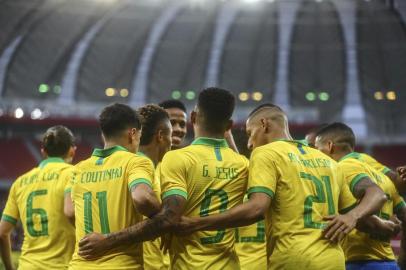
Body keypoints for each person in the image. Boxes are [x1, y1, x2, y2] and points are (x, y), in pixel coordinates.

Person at [174, 103, 387, 270]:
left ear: (264, 124)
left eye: (250, 133)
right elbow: (372, 205)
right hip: (332, 261)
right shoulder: (328, 161)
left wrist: (196, 223)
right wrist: (364, 219)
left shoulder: (267, 153)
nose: (249, 143)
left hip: (292, 260)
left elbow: (257, 208)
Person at [78, 88, 249, 269]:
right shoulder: (145, 166)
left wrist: (167, 221)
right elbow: (154, 208)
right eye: (172, 125)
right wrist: (165, 220)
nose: (177, 131)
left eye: (181, 124)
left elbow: (72, 212)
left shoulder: (90, 168)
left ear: (193, 118)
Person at [65, 103, 160, 269]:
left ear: (104, 134)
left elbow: (71, 213)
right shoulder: (136, 162)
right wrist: (163, 214)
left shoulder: (78, 169)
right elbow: (142, 198)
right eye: (139, 136)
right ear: (132, 134)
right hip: (121, 265)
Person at [315, 122, 406, 270]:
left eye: (318, 149)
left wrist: (353, 215)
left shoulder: (343, 167)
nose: (315, 154)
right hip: (389, 262)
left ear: (330, 146)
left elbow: (376, 196)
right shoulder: (378, 172)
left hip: (359, 262)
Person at [0, 126, 76, 269]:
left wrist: (10, 268)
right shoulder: (73, 174)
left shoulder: (20, 182)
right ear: (72, 151)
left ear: (43, 152)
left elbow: (2, 233)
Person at [306, 125, 405, 193]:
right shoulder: (363, 160)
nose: (313, 151)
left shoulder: (345, 166)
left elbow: (393, 183)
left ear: (329, 145)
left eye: (314, 146)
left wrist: (353, 215)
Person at [137, 104, 172, 270]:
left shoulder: (158, 168)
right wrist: (168, 219)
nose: (171, 142)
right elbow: (142, 199)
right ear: (160, 136)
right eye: (170, 135)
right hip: (145, 264)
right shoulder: (141, 167)